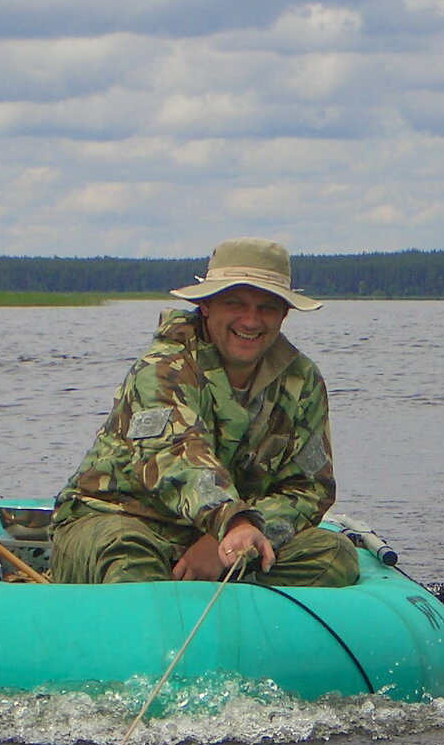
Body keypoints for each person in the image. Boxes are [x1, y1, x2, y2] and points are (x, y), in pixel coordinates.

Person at [49, 237, 359, 588]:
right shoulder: (163, 368)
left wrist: (237, 537)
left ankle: (225, 605)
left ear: (284, 313)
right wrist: (230, 521)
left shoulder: (301, 380)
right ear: (207, 305)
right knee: (129, 558)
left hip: (229, 534)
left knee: (334, 555)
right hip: (122, 521)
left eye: (267, 307)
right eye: (235, 303)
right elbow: (177, 457)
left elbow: (309, 489)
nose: (251, 320)